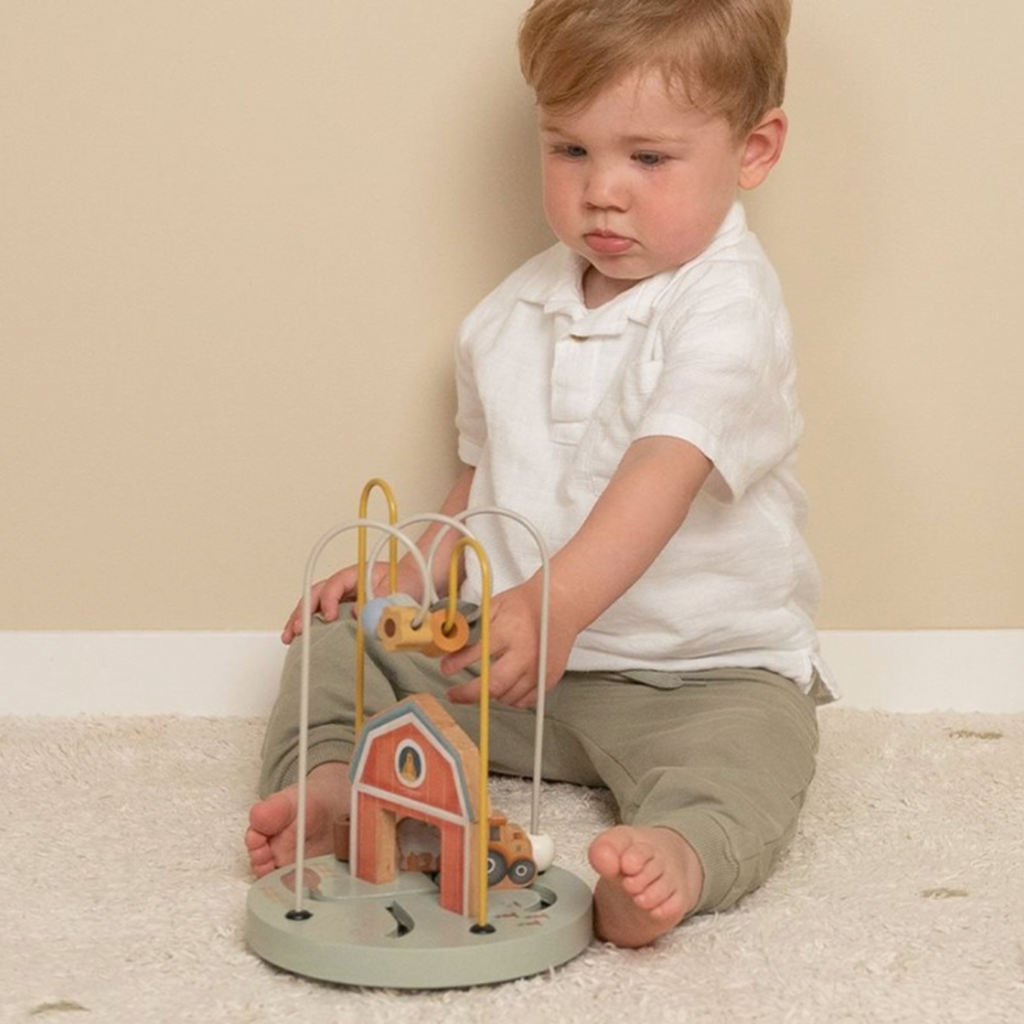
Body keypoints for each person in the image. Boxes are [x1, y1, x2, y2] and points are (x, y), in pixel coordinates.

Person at [246, 0, 837, 949]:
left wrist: (556, 603)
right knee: (336, 640)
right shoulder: (507, 314)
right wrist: (416, 572)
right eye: (570, 151)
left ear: (754, 150)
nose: (603, 192)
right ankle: (328, 789)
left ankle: (678, 857)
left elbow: (665, 468)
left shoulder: (729, 306)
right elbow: (482, 476)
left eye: (648, 158)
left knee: (749, 761)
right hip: (517, 669)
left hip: (697, 676)